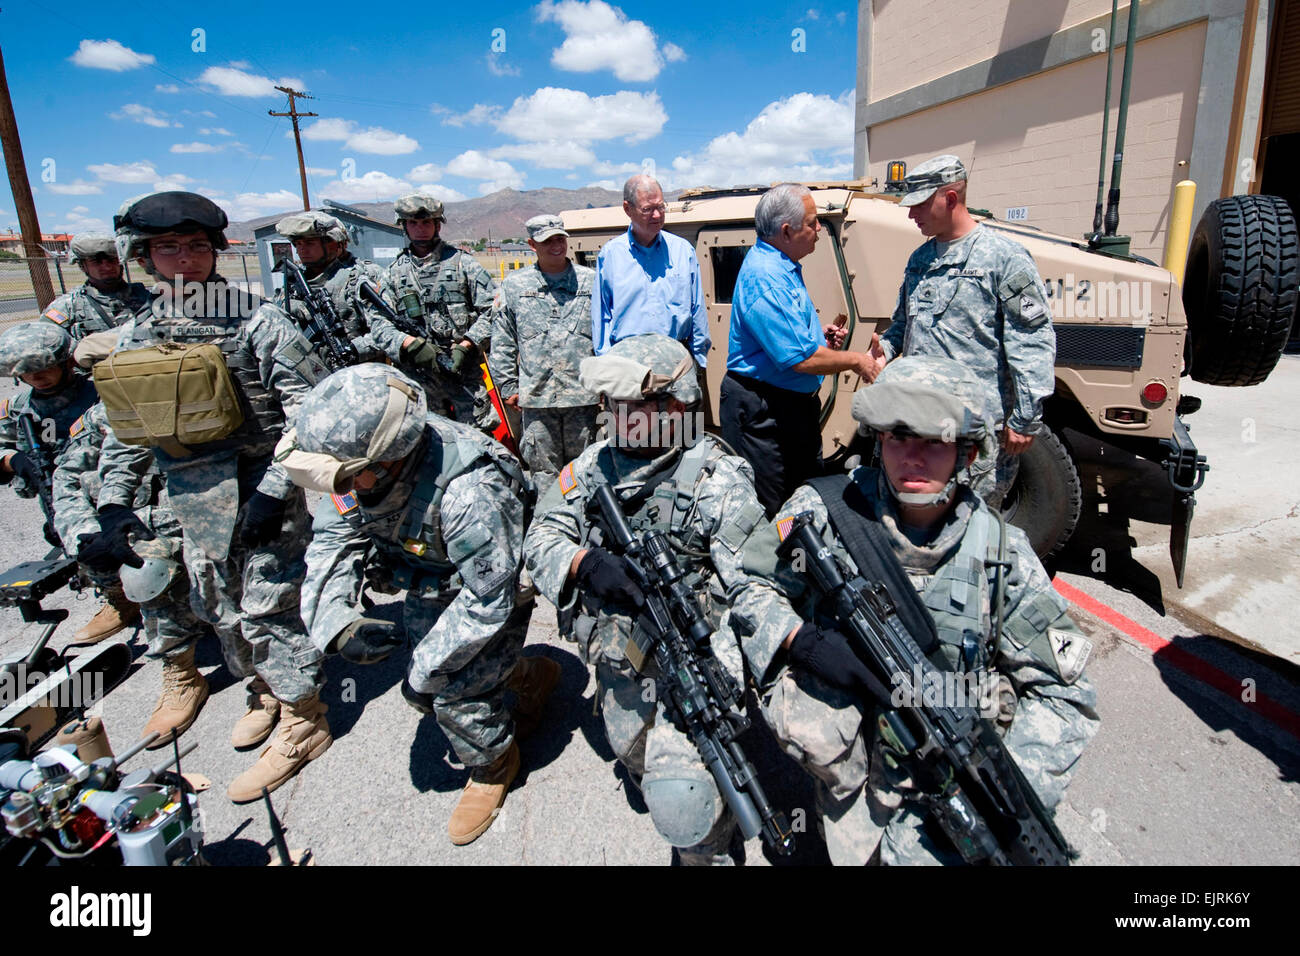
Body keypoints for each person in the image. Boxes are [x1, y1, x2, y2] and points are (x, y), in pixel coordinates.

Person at [734, 355, 1099, 865]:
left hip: (954, 801)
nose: (914, 458)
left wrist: (1001, 792)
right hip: (851, 779)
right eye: (899, 438)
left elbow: (1066, 695)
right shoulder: (824, 514)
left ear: (967, 453)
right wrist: (805, 643)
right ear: (878, 440)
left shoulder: (1001, 554)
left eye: (935, 442)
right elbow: (750, 585)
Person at [92, 190, 332, 802]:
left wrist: (275, 490)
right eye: (168, 247)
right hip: (190, 498)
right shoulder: (137, 335)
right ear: (144, 255)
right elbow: (125, 430)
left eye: (198, 247)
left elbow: (308, 412)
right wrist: (114, 503)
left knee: (267, 608)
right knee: (217, 606)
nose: (185, 260)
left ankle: (304, 719)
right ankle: (263, 691)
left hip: (261, 490)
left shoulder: (256, 318)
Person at [282, 363, 553, 845]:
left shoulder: (470, 490)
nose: (340, 490)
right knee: (440, 663)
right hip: (433, 576)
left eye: (350, 479)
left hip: (494, 587)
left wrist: (424, 671)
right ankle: (525, 676)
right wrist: (336, 623)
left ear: (388, 459)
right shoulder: (360, 469)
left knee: (448, 690)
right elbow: (332, 541)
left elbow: (488, 599)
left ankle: (492, 763)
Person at [523, 334, 769, 864]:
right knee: (630, 749)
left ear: (676, 406)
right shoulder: (592, 466)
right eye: (611, 405)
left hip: (696, 656)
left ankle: (708, 849)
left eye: (630, 406)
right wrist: (584, 564)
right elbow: (541, 537)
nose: (614, 417)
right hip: (619, 655)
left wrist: (739, 669)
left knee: (686, 795)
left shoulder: (715, 475)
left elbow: (757, 586)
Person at [881, 154, 1056, 508]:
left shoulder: (1003, 258)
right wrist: (883, 349)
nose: (911, 214)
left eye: (920, 205)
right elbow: (904, 323)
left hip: (975, 428)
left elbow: (1031, 339)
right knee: (919, 518)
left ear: (949, 198)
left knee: (973, 522)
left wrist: (1026, 417)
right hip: (922, 422)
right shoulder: (919, 259)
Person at [52, 393, 210, 746]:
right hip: (143, 528)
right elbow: (66, 475)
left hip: (203, 514)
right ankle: (182, 672)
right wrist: (84, 533)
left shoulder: (199, 392)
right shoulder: (102, 417)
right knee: (141, 561)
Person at [721, 182, 882, 516]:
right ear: (786, 231)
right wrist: (857, 361)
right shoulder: (767, 276)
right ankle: (777, 563)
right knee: (775, 503)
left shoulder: (781, 265)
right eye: (812, 223)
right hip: (765, 412)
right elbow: (802, 359)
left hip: (788, 405)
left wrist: (817, 338)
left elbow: (795, 343)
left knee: (803, 491)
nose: (819, 229)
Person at [0, 320, 141, 644]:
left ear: (66, 361)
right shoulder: (20, 410)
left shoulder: (100, 394)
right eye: (27, 370)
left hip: (113, 486)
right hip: (62, 497)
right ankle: (117, 599)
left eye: (45, 367)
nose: (37, 376)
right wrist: (12, 460)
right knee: (86, 548)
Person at [490, 214, 598, 479]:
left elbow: (605, 335)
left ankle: (584, 520)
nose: (556, 245)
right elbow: (502, 339)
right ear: (531, 244)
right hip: (537, 399)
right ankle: (548, 520)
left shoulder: (591, 281)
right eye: (547, 241)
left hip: (582, 397)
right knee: (544, 473)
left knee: (584, 471)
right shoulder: (515, 285)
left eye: (560, 238)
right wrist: (507, 386)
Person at [381, 193, 498, 428]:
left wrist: (467, 346)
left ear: (437, 225)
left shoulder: (464, 264)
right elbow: (379, 323)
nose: (420, 229)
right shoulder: (393, 274)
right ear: (404, 226)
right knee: (430, 443)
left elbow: (493, 312)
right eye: (413, 223)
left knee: (479, 438)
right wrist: (409, 344)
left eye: (426, 222)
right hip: (419, 379)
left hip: (463, 374)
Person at [274, 210, 427, 370]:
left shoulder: (362, 277)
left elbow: (391, 330)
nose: (302, 249)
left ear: (336, 243)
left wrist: (353, 350)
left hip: (360, 373)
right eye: (298, 244)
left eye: (310, 243)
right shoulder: (293, 283)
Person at [592, 174, 710, 368]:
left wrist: (698, 361)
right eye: (648, 209)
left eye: (661, 207)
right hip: (628, 367)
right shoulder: (611, 255)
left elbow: (697, 309)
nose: (657, 215)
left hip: (678, 364)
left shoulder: (683, 251)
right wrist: (607, 367)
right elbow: (601, 316)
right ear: (627, 209)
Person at [41, 234, 150, 341]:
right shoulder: (68, 307)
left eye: (112, 260)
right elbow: (45, 342)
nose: (107, 267)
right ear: (82, 266)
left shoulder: (147, 298)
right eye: (97, 262)